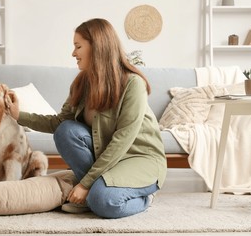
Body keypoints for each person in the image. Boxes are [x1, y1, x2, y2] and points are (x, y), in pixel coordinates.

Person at [9, 18, 167, 219]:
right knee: (66, 130)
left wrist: (85, 184)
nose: (73, 53)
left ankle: (145, 198)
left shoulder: (133, 84)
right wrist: (18, 115)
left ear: (97, 47)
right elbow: (59, 124)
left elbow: (122, 140)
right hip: (108, 159)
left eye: (78, 46)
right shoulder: (82, 83)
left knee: (104, 202)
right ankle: (91, 196)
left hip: (139, 158)